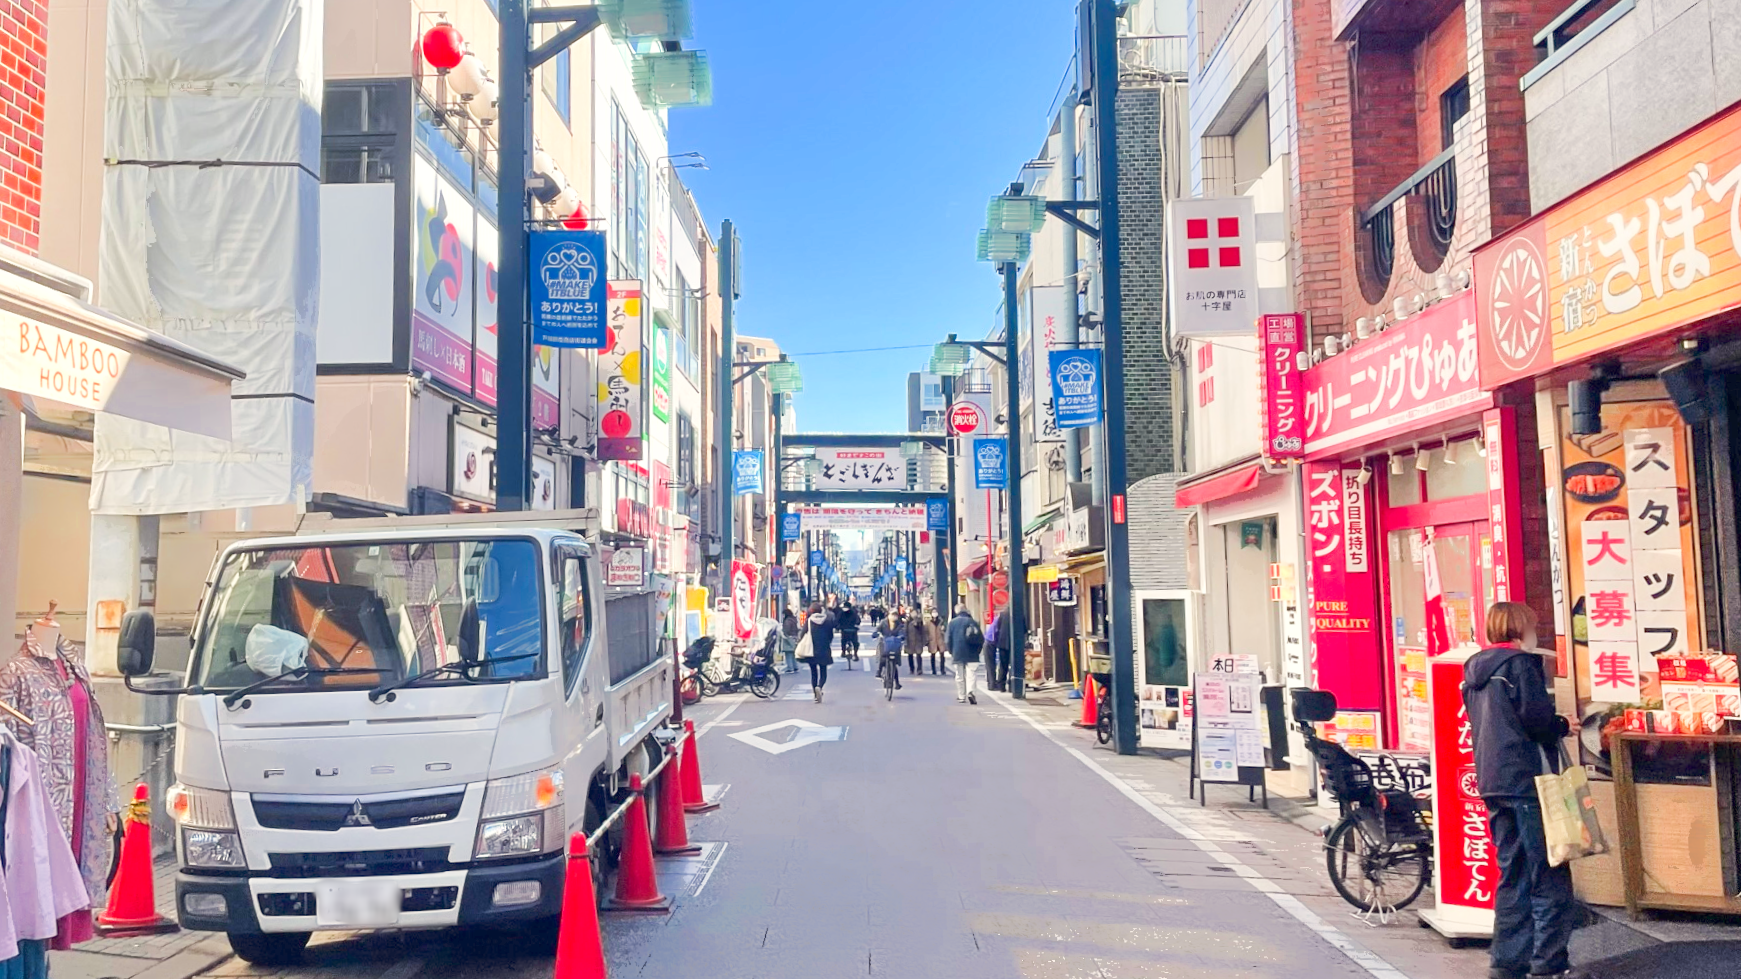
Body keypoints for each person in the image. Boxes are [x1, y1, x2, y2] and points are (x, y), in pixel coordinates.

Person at [1463, 602, 1575, 979]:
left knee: (1512, 872)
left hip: (1493, 782)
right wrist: (1563, 724)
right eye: (1532, 625)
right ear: (1519, 628)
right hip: (1529, 782)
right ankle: (1548, 963)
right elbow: (1537, 722)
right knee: (1548, 870)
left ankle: (1508, 961)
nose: (1535, 631)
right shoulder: (1520, 666)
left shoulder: (1474, 671)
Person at [945, 605, 985, 705]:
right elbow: (980, 639)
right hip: (972, 653)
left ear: (957, 611)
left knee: (959, 676)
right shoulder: (973, 622)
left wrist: (951, 651)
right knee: (971, 674)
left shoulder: (952, 623)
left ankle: (961, 696)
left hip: (957, 652)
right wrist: (978, 651)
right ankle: (971, 692)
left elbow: (948, 639)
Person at [805, 602, 836, 703]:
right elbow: (831, 635)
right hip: (824, 649)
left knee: (813, 673)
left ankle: (815, 693)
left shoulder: (809, 621)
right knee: (823, 672)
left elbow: (802, 634)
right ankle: (820, 686)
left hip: (811, 650)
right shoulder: (827, 621)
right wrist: (827, 643)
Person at [986, 609, 1013, 692]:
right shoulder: (1010, 615)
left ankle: (996, 684)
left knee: (999, 664)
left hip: (996, 642)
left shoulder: (1001, 616)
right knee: (992, 664)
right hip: (992, 641)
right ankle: (994, 684)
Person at [875, 618, 904, 690]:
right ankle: (879, 671)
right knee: (882, 658)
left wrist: (902, 636)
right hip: (885, 643)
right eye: (892, 615)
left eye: (895, 615)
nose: (893, 617)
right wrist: (877, 634)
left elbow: (902, 632)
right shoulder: (883, 622)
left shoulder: (899, 624)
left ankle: (897, 682)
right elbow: (878, 630)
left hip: (894, 645)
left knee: (894, 663)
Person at [838, 602, 862, 671]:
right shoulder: (853, 613)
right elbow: (858, 620)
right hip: (852, 630)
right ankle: (855, 654)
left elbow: (837, 620)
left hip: (845, 630)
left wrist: (838, 626)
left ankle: (844, 652)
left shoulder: (841, 613)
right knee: (855, 642)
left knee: (843, 641)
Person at [904, 609, 928, 677]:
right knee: (910, 655)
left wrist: (924, 641)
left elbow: (923, 631)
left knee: (919, 655)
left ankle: (919, 669)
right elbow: (905, 631)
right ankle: (911, 669)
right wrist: (905, 641)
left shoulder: (919, 621)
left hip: (918, 641)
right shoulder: (908, 621)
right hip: (910, 641)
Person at [780, 608, 802, 674]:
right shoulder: (794, 620)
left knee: (788, 654)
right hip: (795, 638)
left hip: (788, 638)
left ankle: (790, 668)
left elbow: (786, 630)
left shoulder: (787, 621)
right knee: (793, 654)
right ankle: (795, 667)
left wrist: (784, 633)